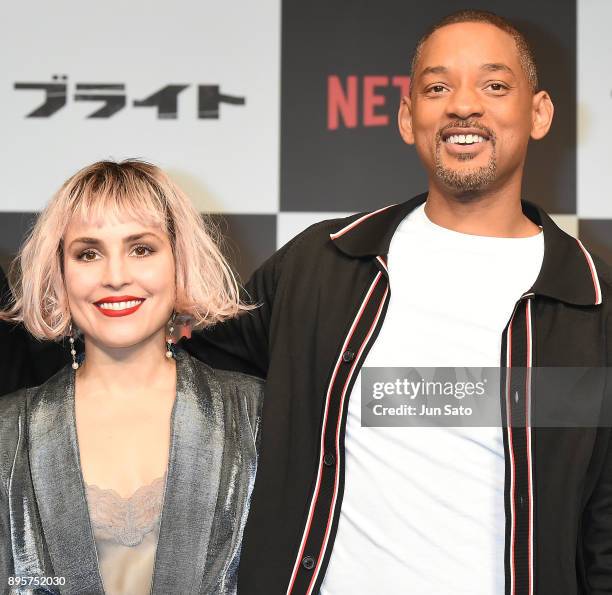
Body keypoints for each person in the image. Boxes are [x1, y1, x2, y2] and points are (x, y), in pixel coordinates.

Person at [176, 9, 610, 595]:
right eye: (437, 87)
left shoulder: (594, 303)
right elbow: (177, 375)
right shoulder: (322, 263)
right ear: (408, 117)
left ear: (539, 113)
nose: (463, 106)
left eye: (494, 85)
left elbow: (603, 531)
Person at [0, 160, 264, 594]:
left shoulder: (257, 416)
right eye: (88, 253)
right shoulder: (11, 430)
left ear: (179, 262)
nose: (116, 276)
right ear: (59, 273)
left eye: (141, 249)